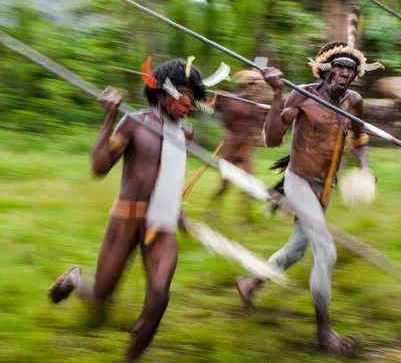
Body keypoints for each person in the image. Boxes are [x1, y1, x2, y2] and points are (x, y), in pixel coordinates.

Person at [48, 58, 204, 362]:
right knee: (100, 298)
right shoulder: (135, 122)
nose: (188, 102)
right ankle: (75, 279)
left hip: (162, 222)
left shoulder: (185, 134)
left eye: (192, 96)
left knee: (159, 296)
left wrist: (178, 213)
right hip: (125, 220)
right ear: (161, 93)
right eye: (181, 94)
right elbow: (99, 167)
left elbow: (169, 178)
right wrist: (108, 118)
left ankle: (131, 357)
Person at [236, 41, 383, 353]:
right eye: (340, 67)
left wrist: (366, 168)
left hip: (325, 187)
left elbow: (358, 137)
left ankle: (248, 284)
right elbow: (273, 139)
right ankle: (324, 334)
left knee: (294, 252)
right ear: (328, 69)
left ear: (355, 77)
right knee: (326, 251)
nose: (344, 74)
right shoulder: (302, 93)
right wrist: (277, 94)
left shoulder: (354, 101)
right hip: (298, 181)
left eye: (350, 70)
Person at [209, 70, 270, 222]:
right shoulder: (231, 100)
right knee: (226, 183)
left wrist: (257, 136)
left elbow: (257, 124)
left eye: (257, 85)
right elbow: (227, 123)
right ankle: (213, 209)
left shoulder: (255, 104)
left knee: (249, 182)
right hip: (232, 143)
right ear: (245, 84)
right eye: (252, 84)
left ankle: (246, 217)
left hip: (247, 146)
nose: (255, 88)